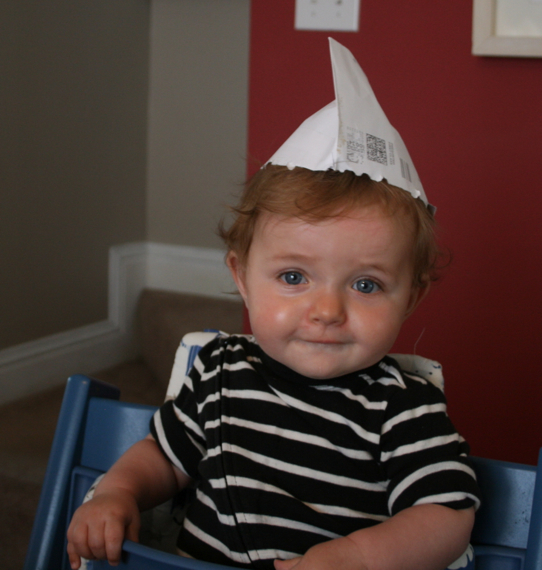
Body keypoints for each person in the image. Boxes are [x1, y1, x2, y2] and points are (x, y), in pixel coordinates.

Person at [67, 39, 481, 570]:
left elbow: (445, 514)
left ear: (412, 297)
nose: (327, 310)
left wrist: (353, 559)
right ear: (242, 277)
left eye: (365, 285)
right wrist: (117, 492)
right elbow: (165, 459)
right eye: (293, 277)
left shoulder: (402, 408)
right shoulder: (219, 372)